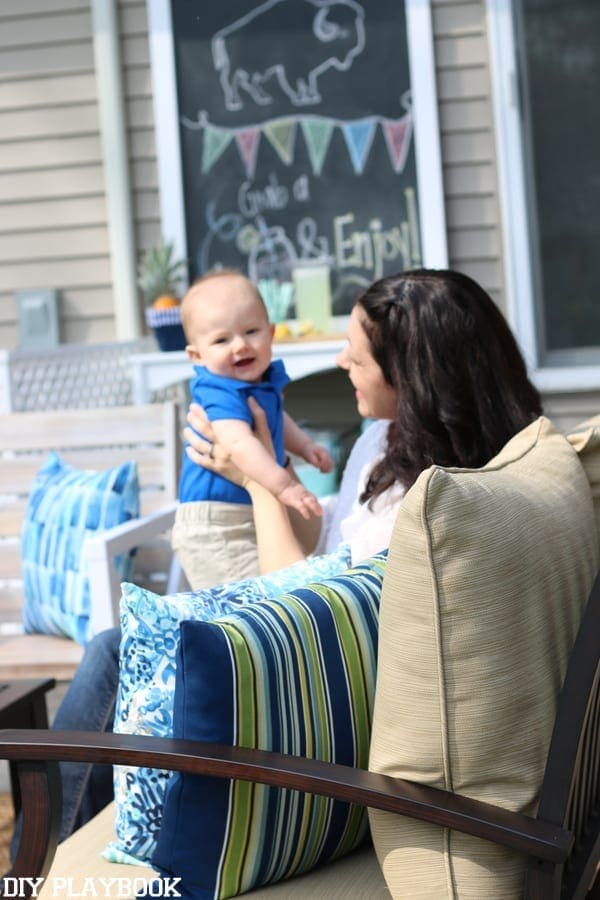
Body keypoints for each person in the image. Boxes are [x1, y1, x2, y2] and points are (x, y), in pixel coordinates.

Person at [18, 268, 542, 848]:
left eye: (357, 355)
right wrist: (275, 468)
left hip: (313, 683)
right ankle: (69, 847)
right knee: (120, 649)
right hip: (306, 626)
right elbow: (321, 553)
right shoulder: (382, 441)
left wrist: (254, 478)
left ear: (410, 376)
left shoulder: (427, 498)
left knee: (115, 653)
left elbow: (295, 594)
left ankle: (37, 860)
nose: (342, 361)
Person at [173, 269, 333, 589]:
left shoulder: (262, 382)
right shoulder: (219, 390)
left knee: (264, 593)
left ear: (271, 333)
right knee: (247, 603)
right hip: (216, 524)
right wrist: (283, 486)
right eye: (222, 340)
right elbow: (237, 443)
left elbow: (275, 418)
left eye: (251, 331)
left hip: (246, 506)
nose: (240, 346)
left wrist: (303, 446)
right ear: (196, 356)